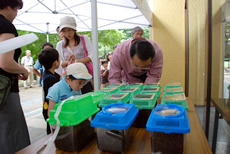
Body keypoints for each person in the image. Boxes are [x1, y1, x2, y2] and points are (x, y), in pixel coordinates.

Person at [0, 0, 31, 153]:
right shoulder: (5, 25)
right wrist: (23, 70)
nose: (16, 14)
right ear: (8, 6)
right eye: (16, 9)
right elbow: (5, 62)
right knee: (10, 135)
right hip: (4, 92)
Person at [56, 16, 93, 94]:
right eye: (64, 31)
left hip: (83, 77)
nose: (67, 33)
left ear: (74, 29)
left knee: (86, 98)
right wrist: (68, 63)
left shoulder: (84, 39)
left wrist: (77, 61)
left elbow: (92, 56)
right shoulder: (60, 45)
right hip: (69, 79)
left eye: (69, 30)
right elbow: (59, 64)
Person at [38, 48, 60, 134]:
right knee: (52, 129)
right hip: (50, 109)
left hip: (48, 107)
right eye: (59, 59)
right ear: (55, 63)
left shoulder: (50, 74)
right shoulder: (50, 78)